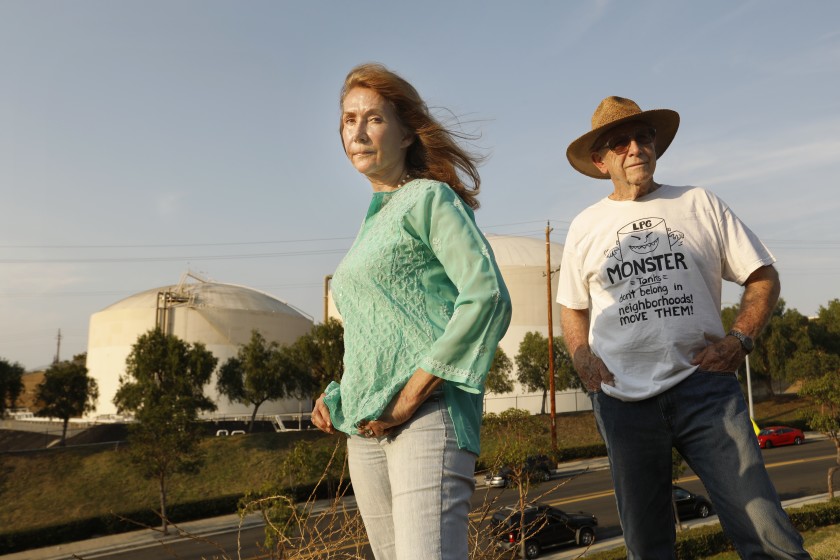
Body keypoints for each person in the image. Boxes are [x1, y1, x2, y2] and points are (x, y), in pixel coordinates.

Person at [557, 96, 811, 559]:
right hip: (622, 402)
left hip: (705, 389)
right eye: (620, 142)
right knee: (648, 545)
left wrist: (740, 340)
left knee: (767, 533)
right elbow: (572, 307)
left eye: (644, 137)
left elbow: (763, 275)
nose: (635, 148)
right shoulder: (584, 227)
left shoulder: (698, 203)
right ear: (600, 161)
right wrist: (581, 358)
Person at [310, 63, 512, 560]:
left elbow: (485, 294)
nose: (356, 131)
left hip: (425, 415)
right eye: (347, 119)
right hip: (366, 428)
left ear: (404, 134)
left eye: (373, 119)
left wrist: (413, 391)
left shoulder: (429, 198)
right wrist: (340, 393)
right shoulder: (369, 225)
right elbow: (384, 325)